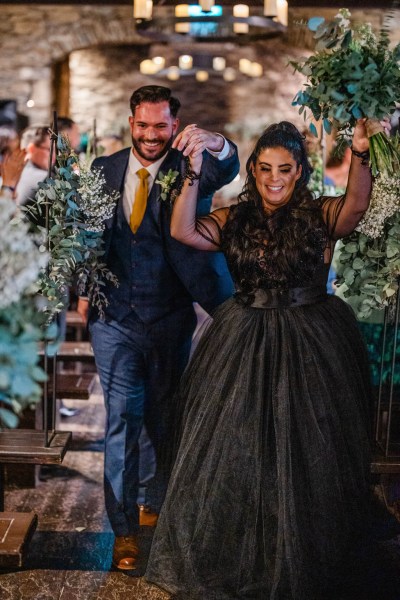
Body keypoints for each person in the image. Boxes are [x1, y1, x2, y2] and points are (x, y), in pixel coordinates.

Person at [145, 119, 382, 599]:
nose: (275, 178)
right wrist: (194, 169)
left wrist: (361, 153)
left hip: (312, 344)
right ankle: (245, 554)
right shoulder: (235, 217)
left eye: (285, 169)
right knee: (241, 450)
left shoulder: (319, 215)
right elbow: (183, 230)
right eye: (266, 168)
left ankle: (303, 556)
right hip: (243, 338)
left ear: (299, 172)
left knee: (308, 454)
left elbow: (357, 206)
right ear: (253, 169)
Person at [77, 85, 239, 571]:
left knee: (164, 418)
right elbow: (87, 235)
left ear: (175, 125)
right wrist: (86, 290)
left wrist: (215, 142)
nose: (151, 135)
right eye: (143, 125)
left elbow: (229, 166)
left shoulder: (190, 166)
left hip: (171, 316)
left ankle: (158, 506)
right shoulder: (102, 170)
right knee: (122, 419)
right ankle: (124, 530)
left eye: (161, 126)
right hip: (115, 319)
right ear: (131, 123)